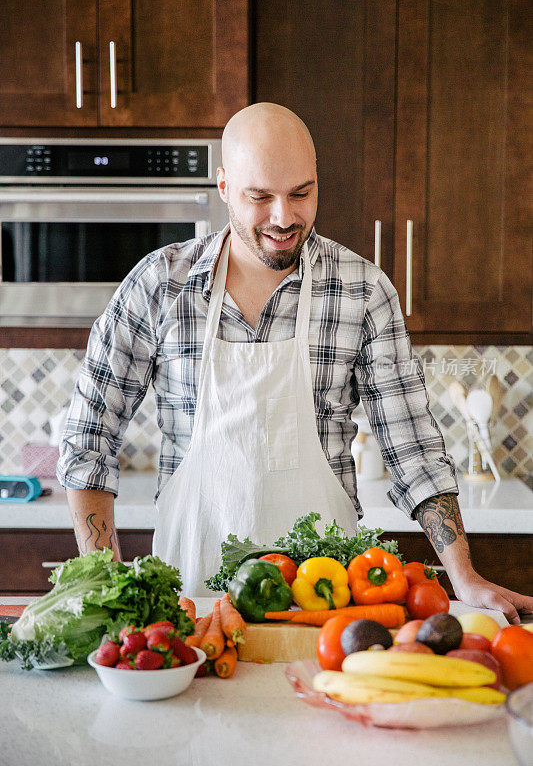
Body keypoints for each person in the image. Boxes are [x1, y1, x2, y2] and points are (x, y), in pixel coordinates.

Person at [57, 102, 533, 620]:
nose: (284, 217)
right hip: (189, 608)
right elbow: (88, 436)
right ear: (223, 187)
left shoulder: (361, 290)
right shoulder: (160, 285)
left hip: (325, 609)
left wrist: (463, 577)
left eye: (301, 194)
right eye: (259, 197)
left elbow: (412, 446)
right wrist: (105, 587)